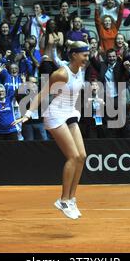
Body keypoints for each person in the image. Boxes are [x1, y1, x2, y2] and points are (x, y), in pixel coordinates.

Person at [12, 40, 90, 220]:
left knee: (82, 156)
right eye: (84, 55)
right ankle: (63, 200)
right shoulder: (61, 73)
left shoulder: (81, 69)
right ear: (74, 55)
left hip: (70, 111)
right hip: (55, 115)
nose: (87, 58)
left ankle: (71, 199)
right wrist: (28, 114)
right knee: (73, 157)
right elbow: (42, 93)